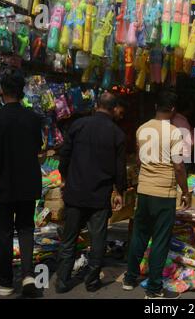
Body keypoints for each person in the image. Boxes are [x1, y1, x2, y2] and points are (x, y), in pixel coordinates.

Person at [0, 69, 43, 297]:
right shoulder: (34, 118)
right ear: (22, 91)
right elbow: (38, 146)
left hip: (2, 183)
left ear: (2, 91)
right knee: (26, 229)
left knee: (2, 232)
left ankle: (5, 281)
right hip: (28, 182)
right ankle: (27, 275)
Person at [122, 90, 191, 299]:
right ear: (172, 110)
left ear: (155, 107)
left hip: (144, 190)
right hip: (164, 192)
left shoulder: (142, 129)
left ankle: (129, 279)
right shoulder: (174, 132)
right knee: (160, 240)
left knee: (139, 235)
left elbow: (140, 160)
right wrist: (186, 191)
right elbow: (178, 167)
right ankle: (153, 289)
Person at [56, 92, 127, 293]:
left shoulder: (78, 125)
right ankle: (92, 281)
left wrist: (65, 178)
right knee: (98, 240)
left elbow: (65, 156)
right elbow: (119, 169)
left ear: (96, 105)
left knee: (69, 239)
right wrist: (120, 191)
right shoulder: (117, 134)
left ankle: (62, 281)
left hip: (75, 192)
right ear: (114, 109)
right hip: (99, 196)